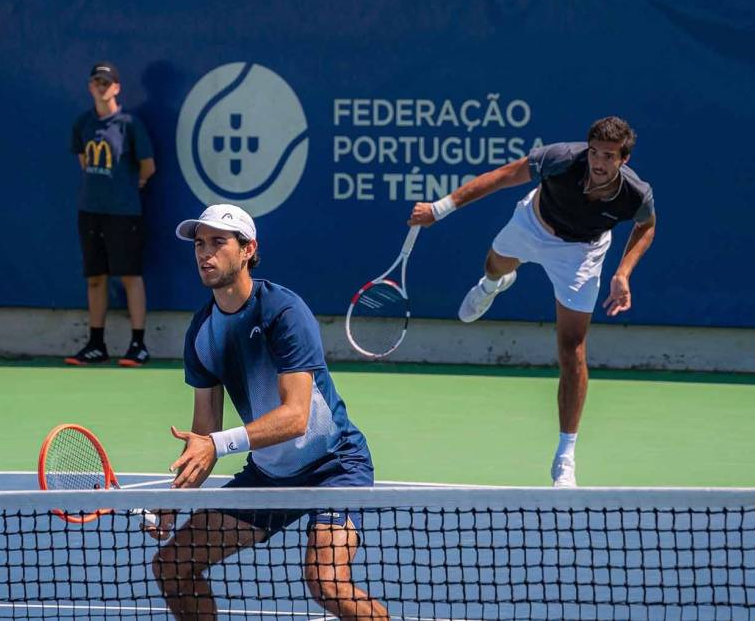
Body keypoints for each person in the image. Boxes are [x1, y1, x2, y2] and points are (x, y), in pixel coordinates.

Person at [148, 204, 389, 620]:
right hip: (270, 474)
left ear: (247, 250)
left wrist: (215, 445)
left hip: (334, 466)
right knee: (172, 567)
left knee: (326, 581)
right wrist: (174, 499)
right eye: (200, 244)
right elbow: (204, 434)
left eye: (218, 243)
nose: (205, 254)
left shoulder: (282, 311)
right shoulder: (202, 333)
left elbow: (295, 416)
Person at [407, 116, 656, 487]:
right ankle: (495, 284)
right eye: (594, 153)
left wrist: (623, 273)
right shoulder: (559, 158)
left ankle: (565, 456)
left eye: (608, 156)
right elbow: (504, 176)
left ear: (624, 160)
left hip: (581, 255)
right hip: (533, 225)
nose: (598, 162)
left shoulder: (636, 193)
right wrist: (440, 209)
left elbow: (646, 226)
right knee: (493, 265)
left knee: (572, 349)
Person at [65, 62, 157, 367]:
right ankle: (95, 344)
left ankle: (138, 345)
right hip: (90, 211)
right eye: (96, 82)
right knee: (95, 278)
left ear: (117, 87)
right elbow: (82, 161)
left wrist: (132, 186)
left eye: (107, 82)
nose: (101, 87)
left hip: (124, 212)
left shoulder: (130, 124)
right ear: (90, 87)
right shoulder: (83, 124)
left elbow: (148, 166)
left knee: (130, 276)